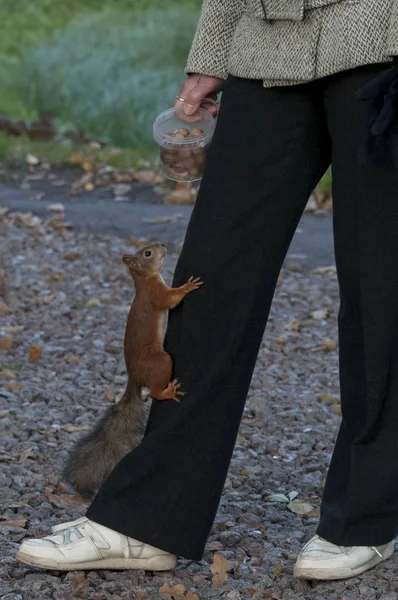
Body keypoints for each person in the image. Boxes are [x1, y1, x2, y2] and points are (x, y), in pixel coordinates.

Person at [16, 0, 398, 581]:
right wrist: (212, 53)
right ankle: (148, 519)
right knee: (210, 281)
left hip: (383, 40)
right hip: (267, 43)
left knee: (379, 287)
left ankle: (365, 518)